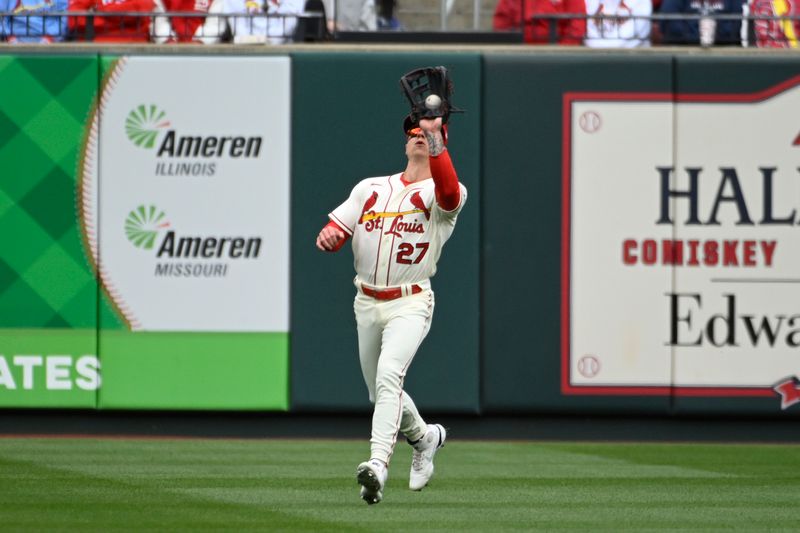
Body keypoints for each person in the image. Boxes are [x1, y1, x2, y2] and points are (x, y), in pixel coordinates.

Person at [316, 114, 467, 505]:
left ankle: (378, 466)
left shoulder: (445, 191)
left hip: (411, 300)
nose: (418, 136)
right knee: (380, 391)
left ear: (440, 142)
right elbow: (337, 231)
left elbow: (449, 194)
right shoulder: (370, 188)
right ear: (405, 143)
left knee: (388, 377)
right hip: (366, 300)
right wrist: (330, 236)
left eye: (428, 133)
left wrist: (437, 141)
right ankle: (425, 438)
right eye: (414, 133)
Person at [493, 0, 587, 44]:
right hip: (520, 52)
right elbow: (502, 23)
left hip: (556, 52)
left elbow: (577, 25)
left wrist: (561, 52)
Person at [68, 0, 164, 42]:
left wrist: (100, 12)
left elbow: (141, 9)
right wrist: (122, 19)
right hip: (95, 49)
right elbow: (74, 19)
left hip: (134, 49)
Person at [659, 0, 746, 45]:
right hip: (684, 49)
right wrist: (698, 35)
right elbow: (669, 22)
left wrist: (714, 33)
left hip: (725, 49)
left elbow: (739, 22)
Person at [219, 0, 305, 44]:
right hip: (244, 49)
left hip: (281, 50)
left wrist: (268, 42)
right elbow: (238, 26)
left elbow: (287, 24)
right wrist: (252, 42)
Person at [584, 0, 652, 47]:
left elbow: (625, 42)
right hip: (596, 58)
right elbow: (587, 37)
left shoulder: (642, 1)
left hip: (632, 58)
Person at [0, 0, 67, 42]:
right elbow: (2, 18)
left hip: (51, 43)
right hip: (14, 41)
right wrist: (10, 38)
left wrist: (50, 37)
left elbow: (65, 18)